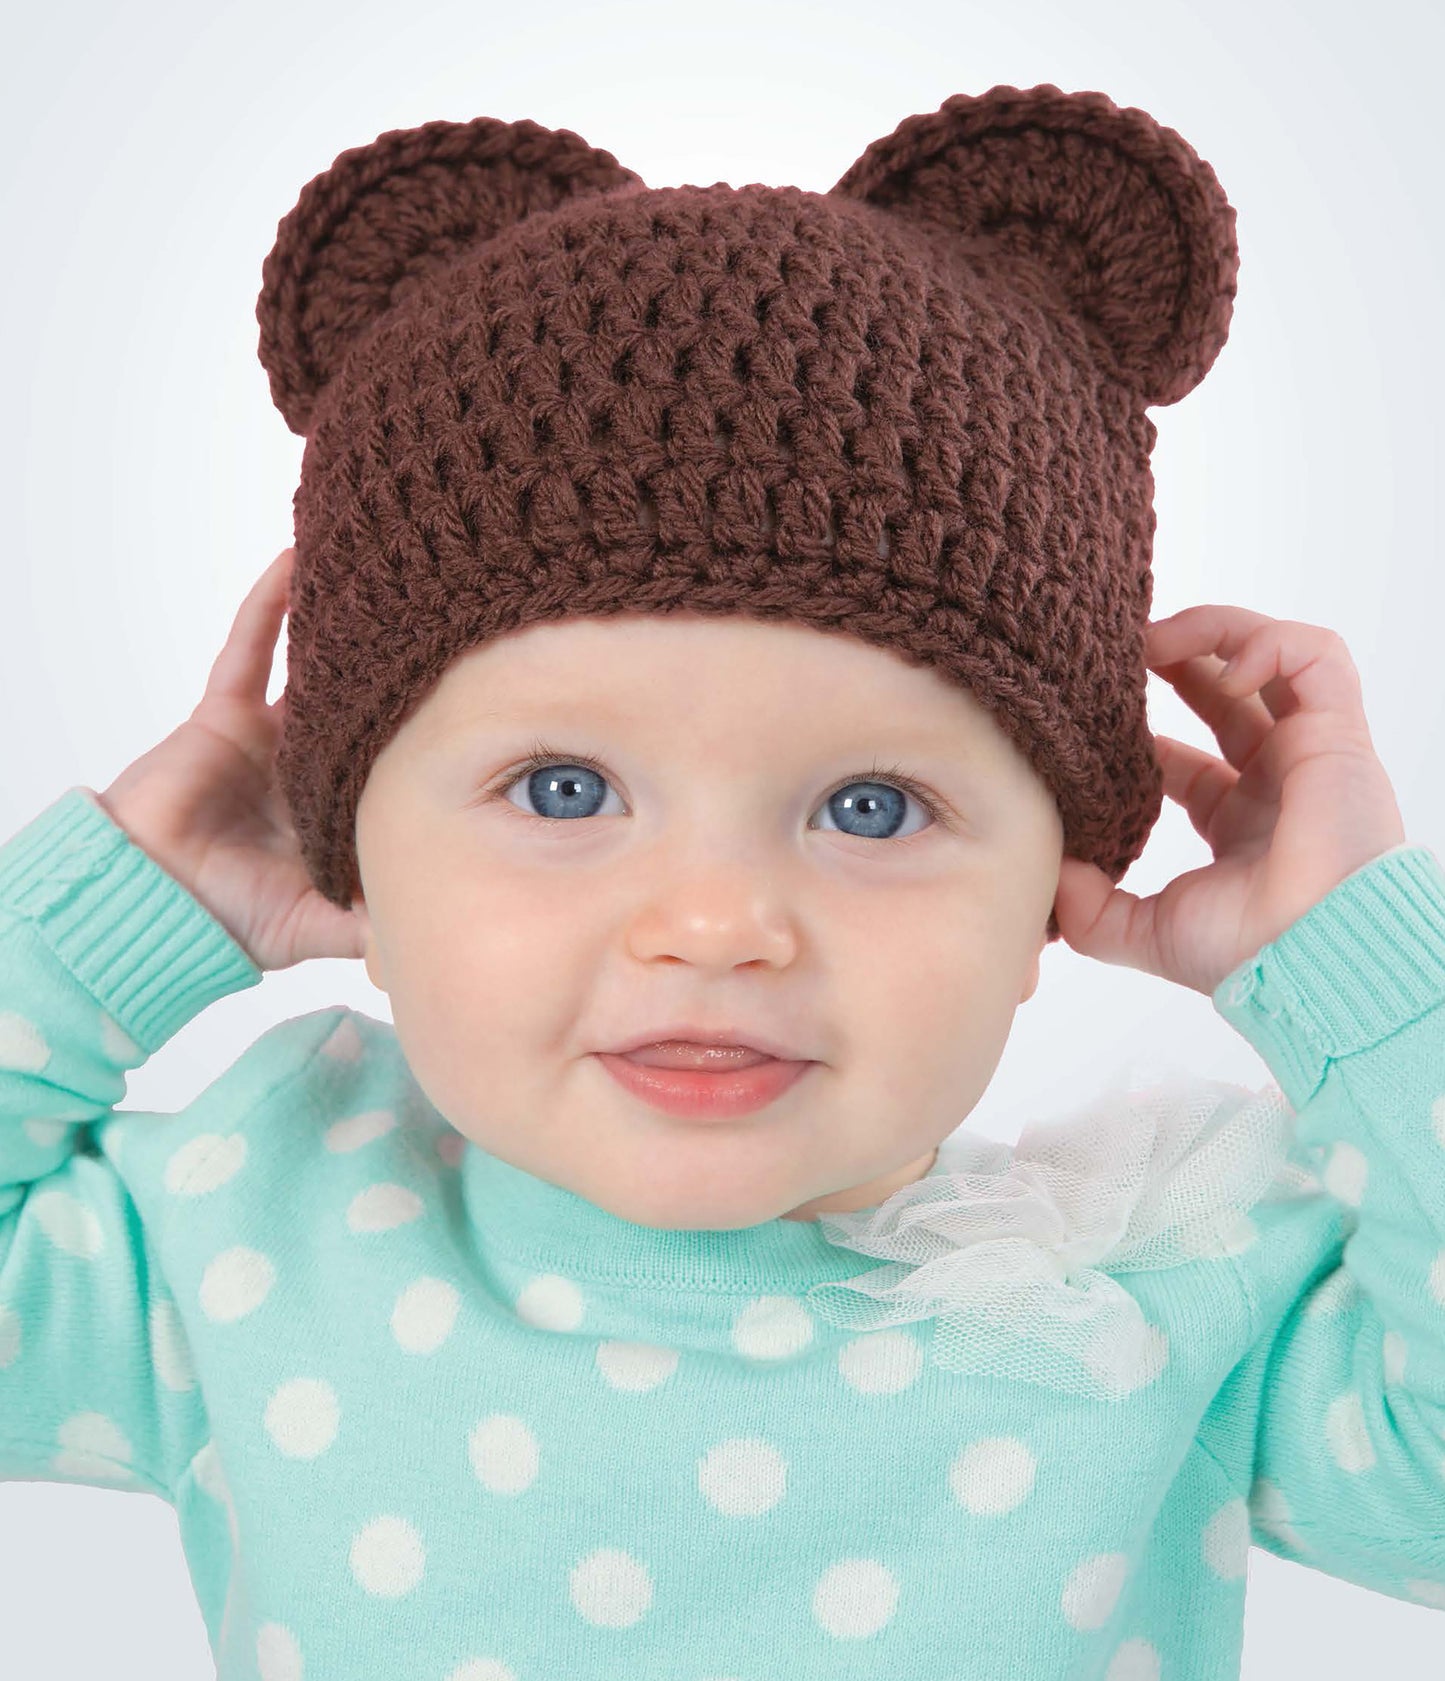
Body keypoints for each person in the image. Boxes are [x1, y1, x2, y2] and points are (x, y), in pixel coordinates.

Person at [2, 84, 1442, 1681]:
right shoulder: (249, 1237)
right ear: (347, 844)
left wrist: (1345, 960)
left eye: (873, 806)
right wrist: (115, 917)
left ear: (1053, 883)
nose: (714, 925)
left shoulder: (1151, 1313)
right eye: (563, 789)